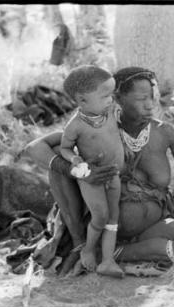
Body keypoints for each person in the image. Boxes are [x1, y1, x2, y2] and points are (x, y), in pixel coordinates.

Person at [24, 67, 174, 275]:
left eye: (153, 96)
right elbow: (35, 148)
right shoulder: (98, 126)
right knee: (57, 164)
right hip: (106, 222)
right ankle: (83, 244)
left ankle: (114, 255)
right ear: (117, 98)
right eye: (142, 98)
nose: (151, 104)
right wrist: (79, 171)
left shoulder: (166, 132)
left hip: (154, 221)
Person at [59, 65, 124, 277]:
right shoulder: (76, 126)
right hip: (91, 177)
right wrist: (76, 159)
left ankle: (107, 260)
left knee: (113, 216)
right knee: (101, 215)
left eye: (112, 94)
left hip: (113, 174)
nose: (111, 100)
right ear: (82, 100)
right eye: (105, 96)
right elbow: (65, 148)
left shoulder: (112, 113)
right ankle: (88, 249)